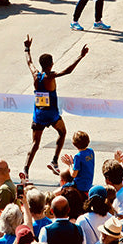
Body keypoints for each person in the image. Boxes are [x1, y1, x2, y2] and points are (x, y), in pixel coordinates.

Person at [22, 35, 88, 177]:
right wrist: (80, 56)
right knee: (62, 132)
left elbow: (29, 62)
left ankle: (26, 169)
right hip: (51, 114)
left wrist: (27, 48)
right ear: (51, 64)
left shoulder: (36, 75)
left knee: (35, 143)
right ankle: (54, 161)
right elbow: (68, 71)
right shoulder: (50, 76)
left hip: (38, 113)